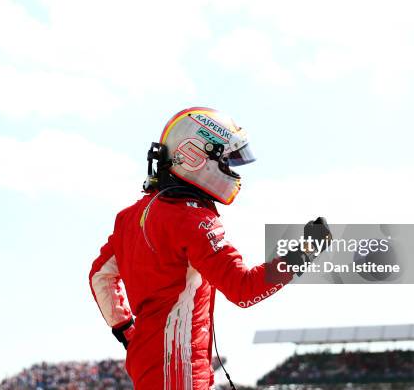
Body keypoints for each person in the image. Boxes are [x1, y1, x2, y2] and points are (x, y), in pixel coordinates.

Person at [89, 107, 326, 390]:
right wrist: (306, 252)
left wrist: (126, 330)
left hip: (151, 366)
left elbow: (99, 277)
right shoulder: (193, 219)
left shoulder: (129, 217)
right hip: (181, 372)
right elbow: (243, 289)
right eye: (227, 161)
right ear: (197, 157)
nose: (232, 172)